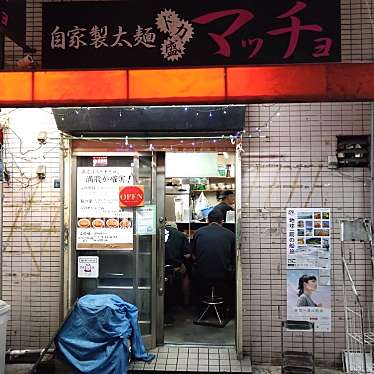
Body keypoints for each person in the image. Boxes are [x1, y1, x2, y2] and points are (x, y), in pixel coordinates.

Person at [191, 210, 235, 317]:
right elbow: (233, 256)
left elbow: (193, 254)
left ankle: (200, 309)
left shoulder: (198, 233)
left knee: (192, 272)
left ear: (207, 220)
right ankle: (227, 310)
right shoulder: (231, 234)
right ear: (222, 221)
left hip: (202, 276)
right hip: (224, 276)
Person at [164, 222, 191, 306]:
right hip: (173, 267)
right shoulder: (180, 235)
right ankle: (186, 302)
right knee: (186, 274)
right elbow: (187, 255)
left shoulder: (159, 232)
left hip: (157, 267)